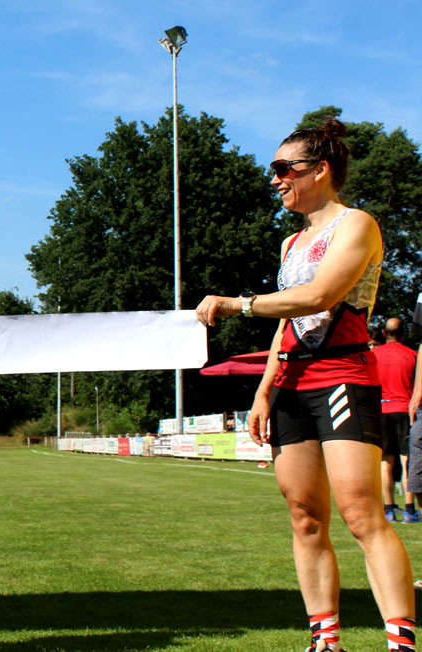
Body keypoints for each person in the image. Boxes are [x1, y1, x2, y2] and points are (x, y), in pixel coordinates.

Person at [195, 119, 415, 652]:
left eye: (282, 169)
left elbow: (318, 297)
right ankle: (325, 639)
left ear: (319, 170)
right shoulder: (292, 241)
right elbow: (287, 323)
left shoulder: (357, 224)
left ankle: (401, 642)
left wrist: (235, 303)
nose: (274, 179)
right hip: (292, 382)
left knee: (362, 514)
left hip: (343, 375)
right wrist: (264, 389)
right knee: (304, 517)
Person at [376, 318, 419, 522]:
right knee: (407, 460)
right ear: (403, 334)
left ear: (384, 334)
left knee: (386, 461)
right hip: (405, 410)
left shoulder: (373, 355)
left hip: (382, 410)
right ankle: (410, 510)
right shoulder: (413, 356)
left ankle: (388, 509)